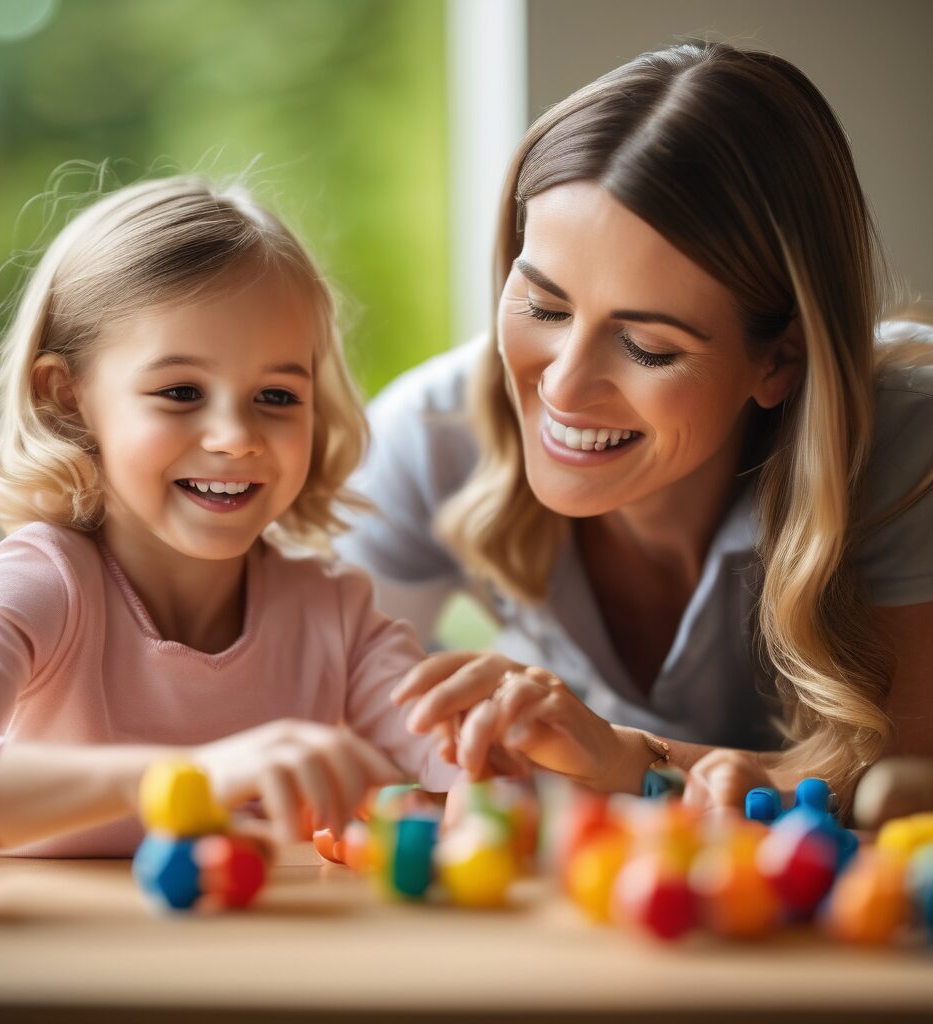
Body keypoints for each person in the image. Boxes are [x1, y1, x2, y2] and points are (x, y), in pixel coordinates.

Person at [336, 42, 933, 814]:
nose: (563, 385)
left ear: (779, 360)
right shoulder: (435, 428)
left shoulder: (907, 447)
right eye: (545, 307)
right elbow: (313, 711)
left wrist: (622, 756)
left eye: (647, 347)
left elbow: (900, 784)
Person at [0, 175, 457, 857]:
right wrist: (187, 778)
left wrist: (510, 735)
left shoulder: (336, 616)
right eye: (180, 391)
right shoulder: (44, 584)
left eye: (278, 396)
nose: (235, 435)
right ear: (67, 398)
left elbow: (475, 778)